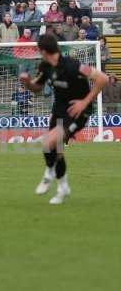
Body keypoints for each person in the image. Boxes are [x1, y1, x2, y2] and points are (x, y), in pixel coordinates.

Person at [19, 34, 109, 204]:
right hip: (59, 110)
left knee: (48, 143)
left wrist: (85, 102)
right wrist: (27, 82)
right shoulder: (45, 66)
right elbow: (37, 88)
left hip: (77, 112)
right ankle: (62, 188)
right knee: (57, 151)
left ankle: (49, 173)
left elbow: (103, 79)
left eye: (39, 50)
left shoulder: (74, 66)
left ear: (44, 51)